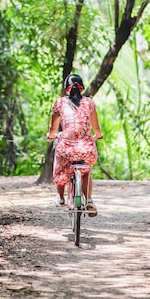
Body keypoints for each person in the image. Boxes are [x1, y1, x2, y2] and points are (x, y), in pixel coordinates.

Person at [47, 74, 103, 216]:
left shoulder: (59, 103)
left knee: (59, 170)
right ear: (82, 87)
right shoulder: (89, 103)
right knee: (85, 171)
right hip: (86, 149)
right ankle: (89, 200)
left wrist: (51, 135)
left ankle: (60, 198)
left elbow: (53, 128)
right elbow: (95, 127)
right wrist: (98, 135)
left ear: (66, 88)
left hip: (66, 149)